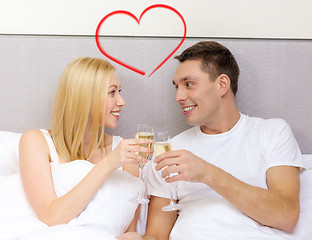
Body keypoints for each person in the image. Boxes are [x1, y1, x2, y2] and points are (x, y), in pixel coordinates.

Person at [119, 41, 305, 240]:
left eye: (189, 84)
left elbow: (286, 215)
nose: (178, 97)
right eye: (177, 87)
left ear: (222, 84)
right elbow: (157, 235)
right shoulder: (170, 151)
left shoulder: (271, 132)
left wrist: (207, 173)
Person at [19, 57, 153, 239]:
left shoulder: (125, 153)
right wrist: (108, 164)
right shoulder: (36, 141)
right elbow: (51, 217)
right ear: (85, 97)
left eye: (119, 91)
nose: (122, 101)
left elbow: (128, 228)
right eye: (112, 93)